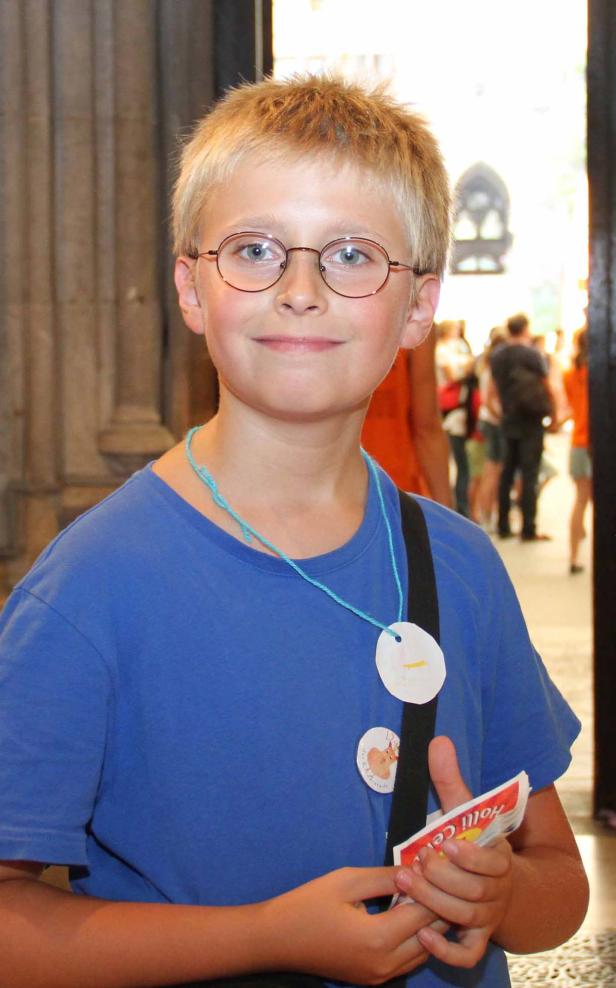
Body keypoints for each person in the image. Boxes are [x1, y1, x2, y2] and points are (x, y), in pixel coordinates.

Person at [0, 75, 587, 988]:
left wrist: (497, 893)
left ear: (418, 306)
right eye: (255, 250)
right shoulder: (91, 586)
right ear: (193, 289)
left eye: (352, 255)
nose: (301, 290)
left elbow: (560, 888)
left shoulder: (461, 566)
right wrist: (266, 936)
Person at [361, 336, 451, 504]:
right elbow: (426, 428)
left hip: (319, 488)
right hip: (392, 487)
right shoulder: (410, 324)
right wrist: (445, 510)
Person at [490, 313, 554, 541]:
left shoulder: (498, 356)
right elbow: (548, 384)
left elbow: (492, 392)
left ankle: (503, 524)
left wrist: (500, 413)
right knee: (530, 474)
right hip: (531, 421)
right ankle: (528, 527)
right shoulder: (532, 354)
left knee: (506, 473)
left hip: (509, 420)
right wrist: (554, 414)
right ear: (525, 329)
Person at [435, 321, 476, 517]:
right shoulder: (442, 351)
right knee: (457, 462)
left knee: (459, 462)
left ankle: (458, 507)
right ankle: (457, 508)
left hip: (453, 409)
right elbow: (451, 375)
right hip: (450, 410)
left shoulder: (455, 349)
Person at [562, 328, 591, 574]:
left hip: (578, 442)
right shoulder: (601, 373)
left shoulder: (570, 374)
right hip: (598, 442)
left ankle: (573, 557)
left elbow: (572, 405)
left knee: (580, 500)